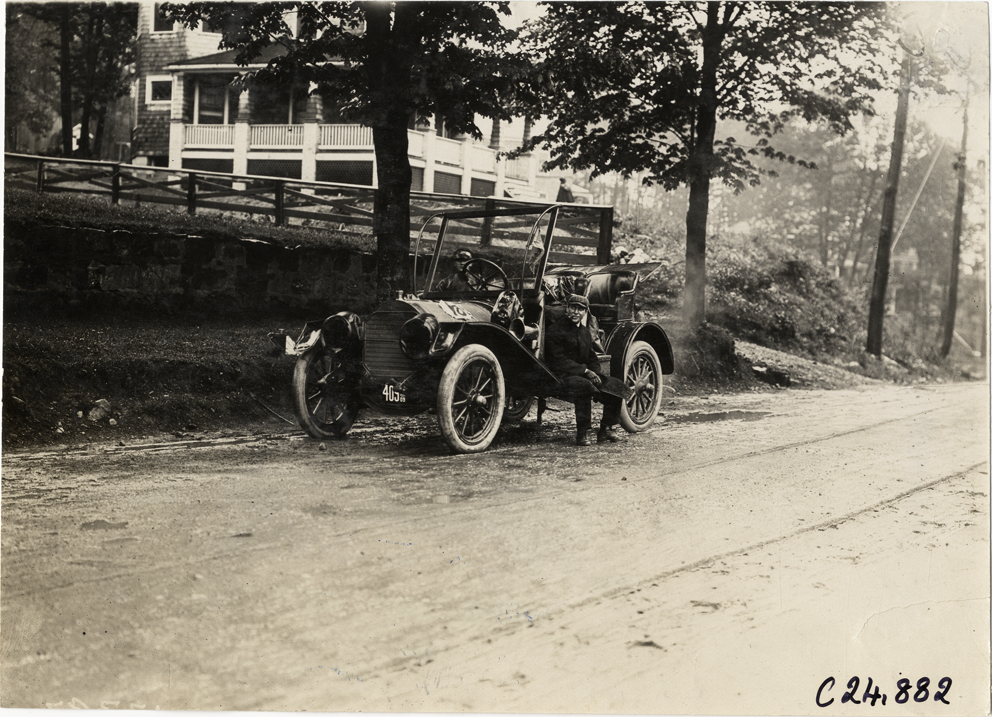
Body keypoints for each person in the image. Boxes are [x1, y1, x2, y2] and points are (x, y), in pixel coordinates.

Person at [545, 293, 624, 446]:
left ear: (585, 312)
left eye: (580, 309)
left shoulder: (585, 332)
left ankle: (605, 429)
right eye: (573, 308)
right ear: (567, 309)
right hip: (560, 376)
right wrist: (586, 372)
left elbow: (592, 357)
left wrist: (597, 375)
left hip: (583, 374)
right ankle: (583, 432)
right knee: (584, 386)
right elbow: (557, 360)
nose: (576, 312)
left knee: (615, 385)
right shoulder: (555, 330)